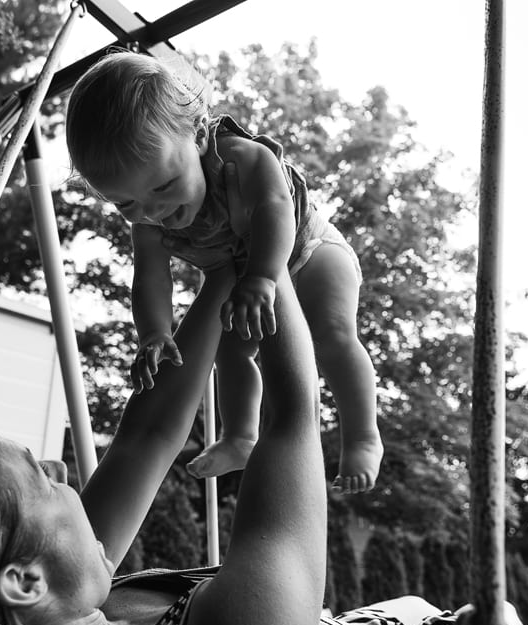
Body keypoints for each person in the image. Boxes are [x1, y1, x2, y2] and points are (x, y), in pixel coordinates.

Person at [0, 175, 528, 625]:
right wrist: (258, 232)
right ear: (22, 581)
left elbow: (151, 434)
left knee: (405, 601)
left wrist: (221, 259)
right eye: (40, 476)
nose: (62, 465)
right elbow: (290, 415)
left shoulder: (79, 601)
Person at [64, 51, 382, 493]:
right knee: (230, 353)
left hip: (310, 251)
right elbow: (151, 277)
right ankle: (239, 436)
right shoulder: (149, 218)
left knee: (333, 336)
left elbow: (276, 209)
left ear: (196, 135)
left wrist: (263, 277)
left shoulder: (240, 158)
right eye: (126, 203)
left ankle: (364, 435)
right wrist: (154, 333)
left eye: (163, 187)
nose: (153, 211)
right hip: (243, 276)